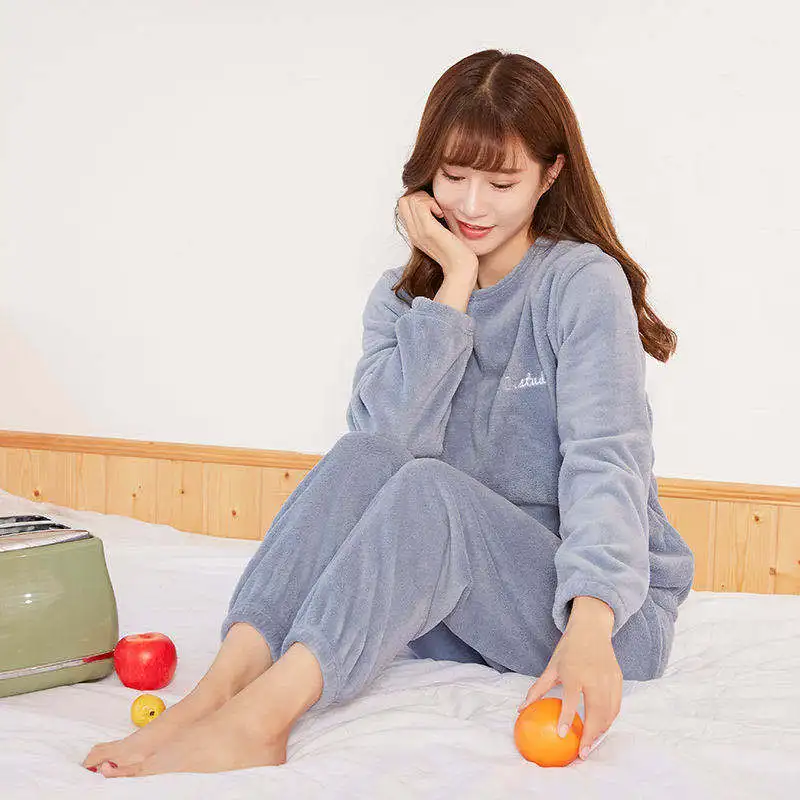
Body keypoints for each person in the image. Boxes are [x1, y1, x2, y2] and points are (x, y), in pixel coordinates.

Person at [81, 48, 695, 778]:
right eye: (454, 176)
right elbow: (386, 450)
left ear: (550, 174)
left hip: (593, 616)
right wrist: (454, 285)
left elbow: (607, 459)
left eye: (501, 183)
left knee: (430, 491)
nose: (472, 206)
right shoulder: (404, 302)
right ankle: (217, 691)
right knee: (366, 451)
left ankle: (262, 719)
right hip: (450, 610)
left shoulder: (580, 283)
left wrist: (593, 623)